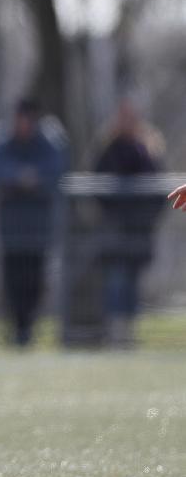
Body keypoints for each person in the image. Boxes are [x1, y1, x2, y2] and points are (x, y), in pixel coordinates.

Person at [0, 98, 65, 346]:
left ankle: (29, 327)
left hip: (38, 228)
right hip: (10, 228)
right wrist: (19, 177)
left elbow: (56, 169)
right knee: (12, 280)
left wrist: (34, 178)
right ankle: (17, 327)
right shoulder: (3, 141)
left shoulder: (48, 142)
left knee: (34, 280)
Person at [94, 98, 166, 347]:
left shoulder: (147, 148)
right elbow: (98, 185)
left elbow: (157, 189)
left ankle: (128, 332)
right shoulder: (108, 148)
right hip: (114, 229)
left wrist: (145, 218)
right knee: (115, 280)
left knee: (132, 283)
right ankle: (114, 331)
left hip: (138, 229)